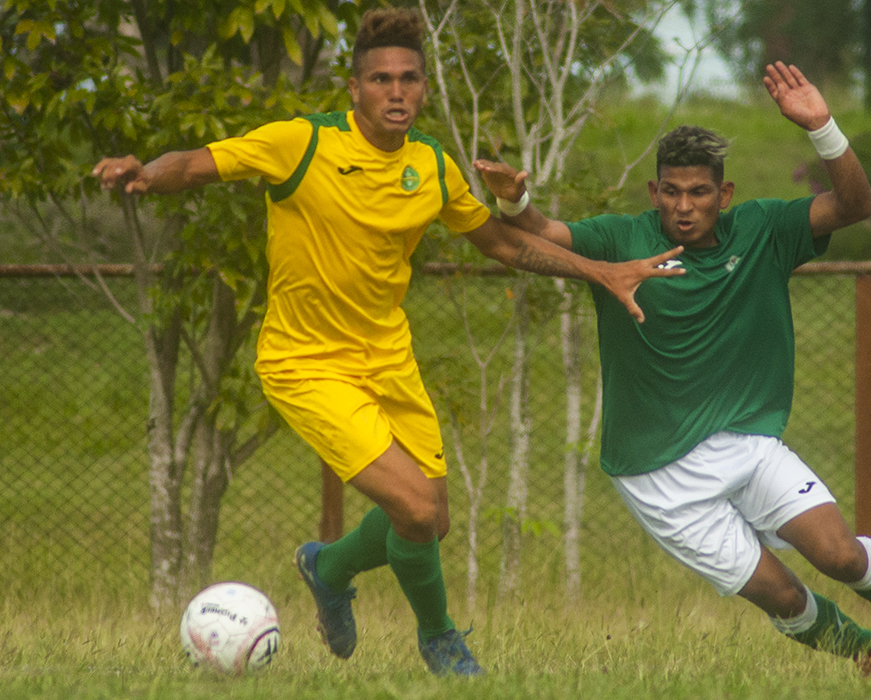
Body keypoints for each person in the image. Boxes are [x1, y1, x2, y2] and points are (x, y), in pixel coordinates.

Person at [92, 8, 683, 678]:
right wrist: (146, 172)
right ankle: (440, 642)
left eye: (409, 79)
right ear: (353, 89)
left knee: (433, 522)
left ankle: (330, 565)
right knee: (414, 508)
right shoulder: (302, 144)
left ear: (424, 88)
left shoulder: (431, 165)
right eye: (381, 80)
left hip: (389, 359)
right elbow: (200, 164)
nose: (396, 92)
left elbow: (502, 244)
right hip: (305, 362)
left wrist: (601, 272)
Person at [474, 62, 871, 678]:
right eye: (671, 191)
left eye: (698, 193)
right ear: (654, 193)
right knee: (786, 597)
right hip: (657, 474)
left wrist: (823, 127)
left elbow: (855, 204)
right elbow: (538, 232)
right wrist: (512, 195)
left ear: (725, 194)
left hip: (747, 443)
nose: (683, 207)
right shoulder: (621, 238)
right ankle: (869, 658)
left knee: (841, 556)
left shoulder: (765, 229)